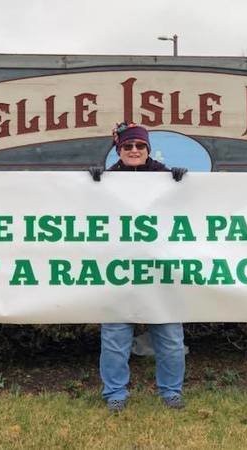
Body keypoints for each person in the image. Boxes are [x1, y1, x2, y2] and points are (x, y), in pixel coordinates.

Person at [88, 122, 187, 413]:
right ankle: (115, 393)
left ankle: (171, 392)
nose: (134, 150)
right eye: (128, 146)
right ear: (119, 150)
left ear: (147, 149)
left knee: (171, 339)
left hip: (160, 275)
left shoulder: (167, 178)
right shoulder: (107, 179)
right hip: (119, 274)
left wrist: (185, 184)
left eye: (140, 146)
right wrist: (90, 185)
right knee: (114, 339)